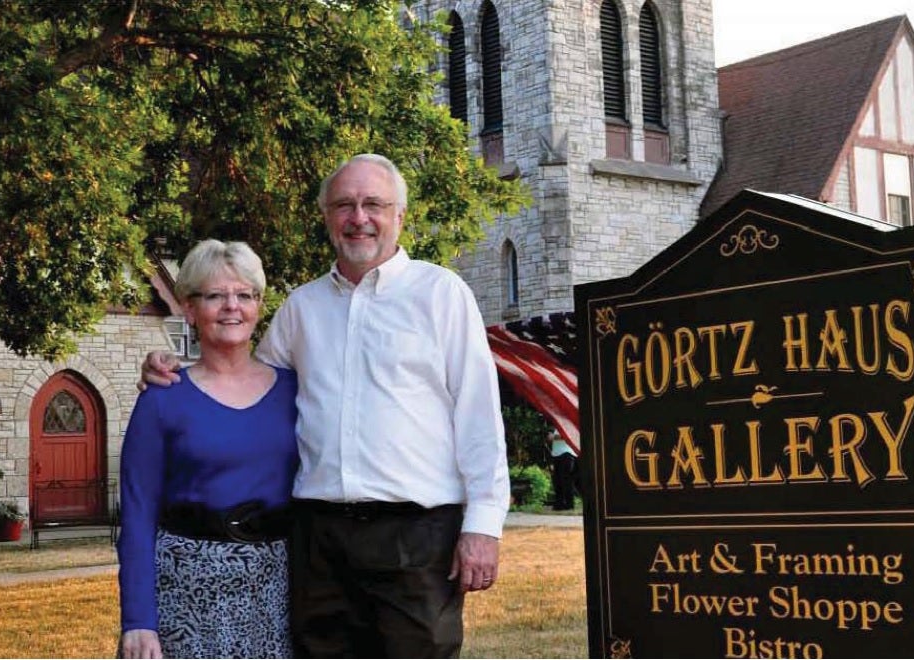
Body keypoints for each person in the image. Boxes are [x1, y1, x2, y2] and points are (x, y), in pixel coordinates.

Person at [141, 153, 510, 657]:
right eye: (344, 205)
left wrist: (483, 526)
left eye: (373, 204)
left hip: (416, 538)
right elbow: (246, 383)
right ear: (326, 218)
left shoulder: (441, 294)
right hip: (317, 540)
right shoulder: (302, 308)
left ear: (400, 216)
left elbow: (479, 416)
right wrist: (169, 370)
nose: (358, 218)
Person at [119, 239, 299, 659]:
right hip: (184, 589)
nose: (231, 307)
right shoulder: (162, 398)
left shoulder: (295, 390)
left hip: (277, 588)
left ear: (259, 304)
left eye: (244, 295)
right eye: (215, 296)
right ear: (189, 308)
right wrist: (138, 620)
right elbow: (137, 512)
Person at [549, 429, 578, 511]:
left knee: (566, 480)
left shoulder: (565, 423)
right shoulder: (556, 428)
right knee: (558, 480)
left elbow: (568, 435)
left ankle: (569, 504)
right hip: (557, 454)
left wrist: (553, 437)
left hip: (566, 454)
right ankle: (559, 503)